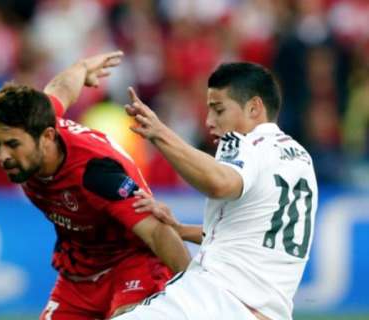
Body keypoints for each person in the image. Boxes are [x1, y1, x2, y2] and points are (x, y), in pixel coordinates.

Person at [0, 51, 191, 319]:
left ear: (47, 136)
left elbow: (157, 233)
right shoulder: (38, 120)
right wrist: (82, 68)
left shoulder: (96, 173)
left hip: (133, 264)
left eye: (13, 145)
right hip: (79, 277)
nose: (3, 156)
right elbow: (60, 88)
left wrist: (197, 293)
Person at [115, 62, 318, 320]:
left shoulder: (245, 141)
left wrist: (159, 133)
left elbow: (220, 184)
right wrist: (180, 230)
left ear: (254, 108)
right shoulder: (301, 158)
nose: (210, 121)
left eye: (218, 110)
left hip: (217, 299)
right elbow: (252, 234)